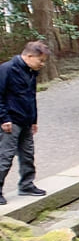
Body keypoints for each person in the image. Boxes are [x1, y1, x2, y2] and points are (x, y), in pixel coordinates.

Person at [0, 41, 49, 205]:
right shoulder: (7, 69)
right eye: (40, 60)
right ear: (29, 56)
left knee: (27, 155)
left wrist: (34, 120)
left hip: (26, 120)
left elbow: (31, 97)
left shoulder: (31, 72)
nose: (42, 64)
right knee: (5, 157)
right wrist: (4, 118)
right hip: (10, 120)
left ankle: (27, 185)